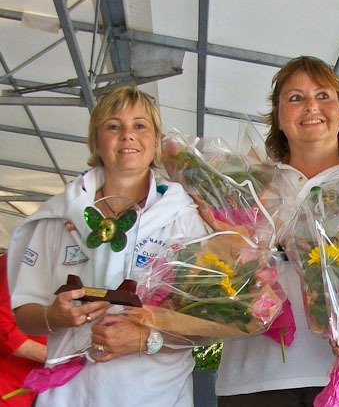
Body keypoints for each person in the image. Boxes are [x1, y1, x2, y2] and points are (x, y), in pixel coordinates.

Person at [7, 86, 209, 407]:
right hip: (69, 396)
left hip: (155, 395)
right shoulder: (58, 214)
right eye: (114, 126)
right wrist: (54, 315)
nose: (127, 135)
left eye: (140, 126)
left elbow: (208, 322)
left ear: (155, 141)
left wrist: (147, 338)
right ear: (96, 141)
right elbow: (26, 316)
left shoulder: (185, 219)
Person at [215, 56, 339, 406]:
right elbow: (215, 264)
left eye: (324, 96)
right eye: (295, 98)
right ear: (278, 117)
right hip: (253, 380)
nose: (312, 107)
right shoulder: (249, 183)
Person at [0, 253, 47, 407]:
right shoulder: (27, 260)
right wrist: (58, 356)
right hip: (7, 381)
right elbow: (4, 329)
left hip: (27, 385)